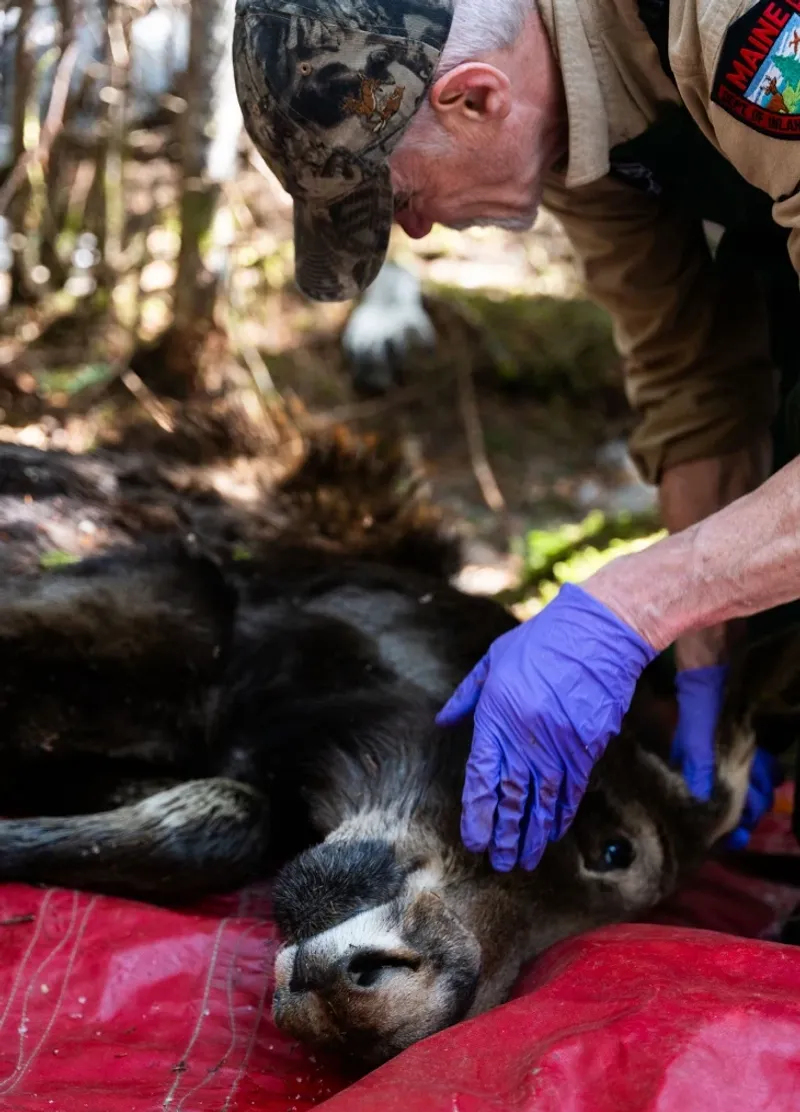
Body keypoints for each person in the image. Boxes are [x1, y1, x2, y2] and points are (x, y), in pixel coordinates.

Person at [232, 0, 800, 870]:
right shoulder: (575, 126)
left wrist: (636, 607)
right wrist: (703, 667)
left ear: (475, 98)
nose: (416, 231)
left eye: (407, 198)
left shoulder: (741, 26)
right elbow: (694, 379)